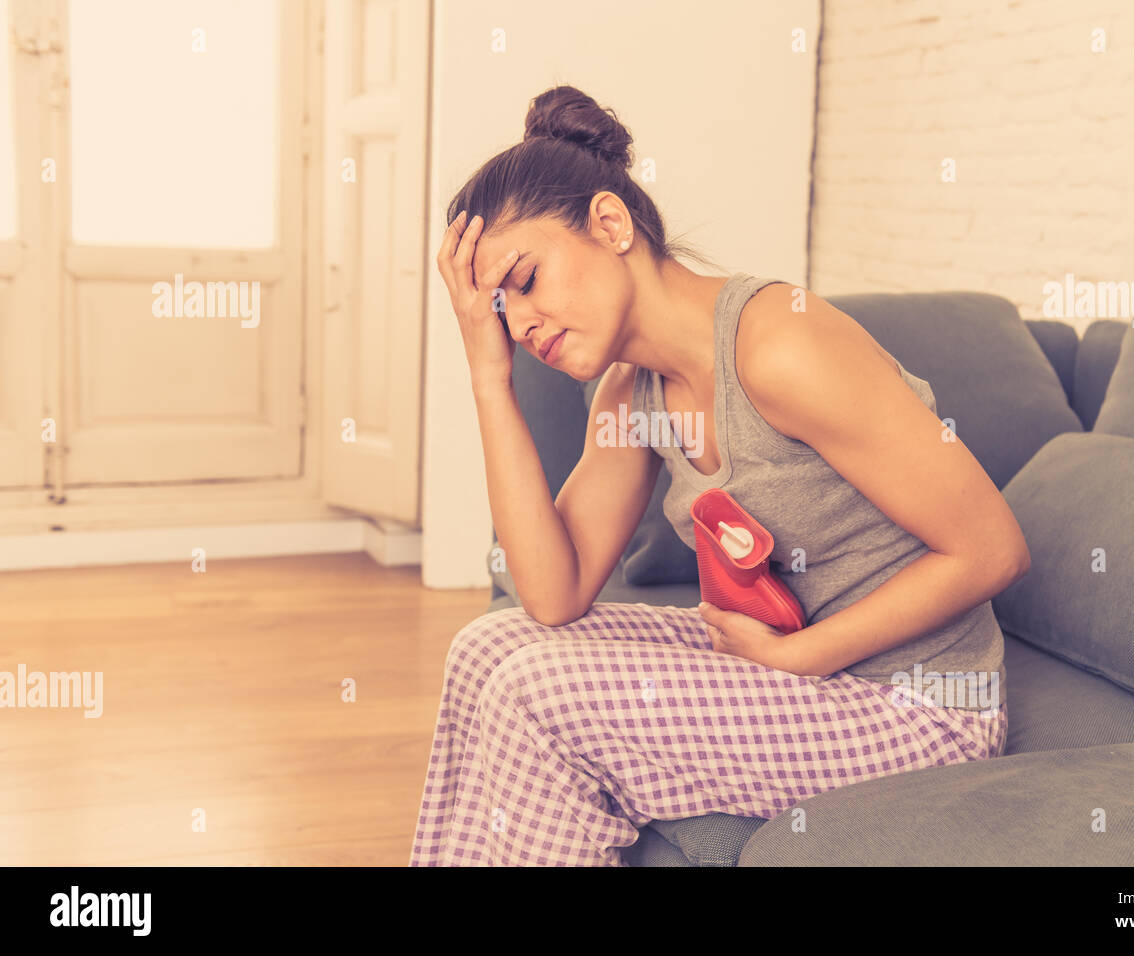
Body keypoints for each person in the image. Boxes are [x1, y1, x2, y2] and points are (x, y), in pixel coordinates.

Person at [410, 84, 1029, 866]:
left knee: (539, 695)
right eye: (499, 310)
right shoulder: (633, 391)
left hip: (916, 706)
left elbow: (992, 550)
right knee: (487, 648)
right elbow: (552, 595)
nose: (521, 321)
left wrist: (798, 658)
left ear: (610, 223)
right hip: (794, 668)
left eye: (524, 280)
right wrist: (487, 375)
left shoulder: (779, 347)